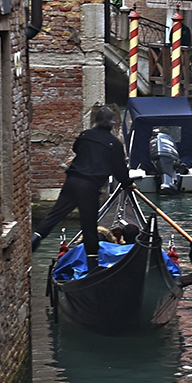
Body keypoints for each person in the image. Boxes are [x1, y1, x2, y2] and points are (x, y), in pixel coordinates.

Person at [32, 106, 135, 271]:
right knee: (89, 227)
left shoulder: (85, 135)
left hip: (72, 181)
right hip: (90, 187)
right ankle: (93, 267)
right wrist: (128, 183)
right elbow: (119, 169)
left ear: (96, 122)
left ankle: (35, 239)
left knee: (54, 216)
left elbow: (76, 149)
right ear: (111, 124)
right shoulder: (113, 143)